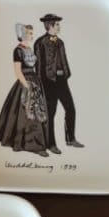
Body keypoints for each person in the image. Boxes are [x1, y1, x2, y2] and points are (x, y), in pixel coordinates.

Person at [0, 24, 49, 156]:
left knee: (37, 112)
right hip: (26, 83)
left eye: (31, 33)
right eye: (29, 33)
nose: (31, 35)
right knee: (26, 113)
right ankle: (30, 144)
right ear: (23, 35)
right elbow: (18, 72)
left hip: (35, 81)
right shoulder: (17, 50)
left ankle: (36, 143)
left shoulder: (29, 48)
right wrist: (27, 86)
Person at [34, 15, 84, 153]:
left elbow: (64, 60)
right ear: (50, 26)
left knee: (70, 109)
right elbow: (38, 65)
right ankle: (51, 144)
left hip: (62, 81)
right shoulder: (40, 42)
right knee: (50, 114)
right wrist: (40, 84)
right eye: (57, 24)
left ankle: (70, 139)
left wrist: (66, 74)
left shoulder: (60, 42)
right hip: (48, 82)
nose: (59, 27)